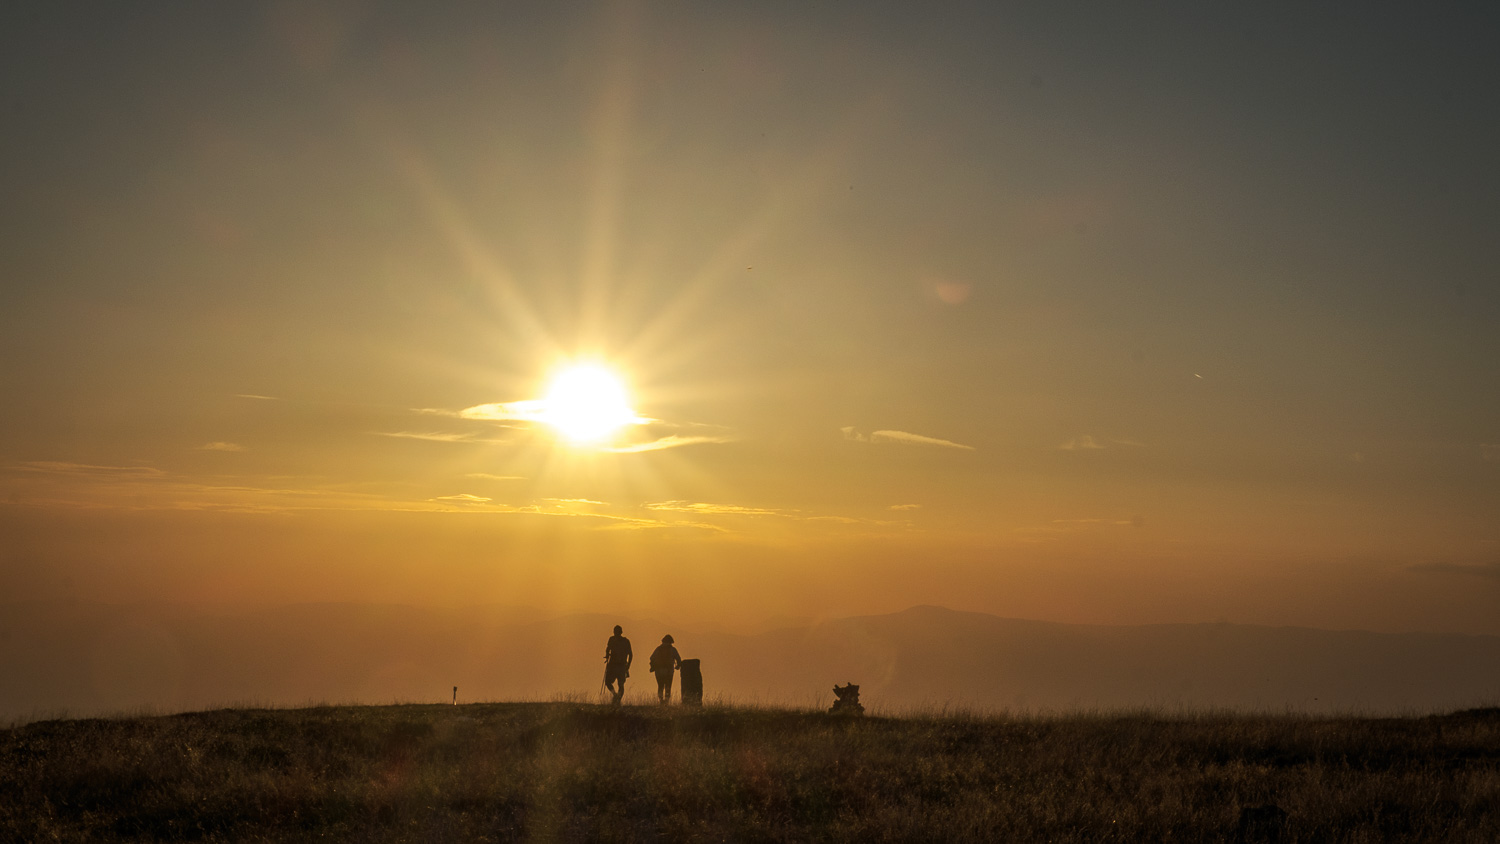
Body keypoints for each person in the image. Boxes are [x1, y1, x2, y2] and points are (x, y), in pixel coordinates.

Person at [649, 634, 682, 704]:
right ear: (671, 642)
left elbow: (652, 658)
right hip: (669, 671)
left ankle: (661, 701)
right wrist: (678, 666)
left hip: (658, 670)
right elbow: (679, 659)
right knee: (668, 686)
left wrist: (653, 666)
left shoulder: (658, 649)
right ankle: (666, 702)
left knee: (660, 686)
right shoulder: (673, 649)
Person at [603, 625, 632, 703]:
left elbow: (607, 649)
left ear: (614, 632)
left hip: (612, 665)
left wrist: (607, 656)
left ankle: (615, 695)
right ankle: (618, 698)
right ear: (621, 632)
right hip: (622, 666)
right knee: (621, 684)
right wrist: (628, 665)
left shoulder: (612, 639)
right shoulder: (626, 641)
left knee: (608, 682)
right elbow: (631, 654)